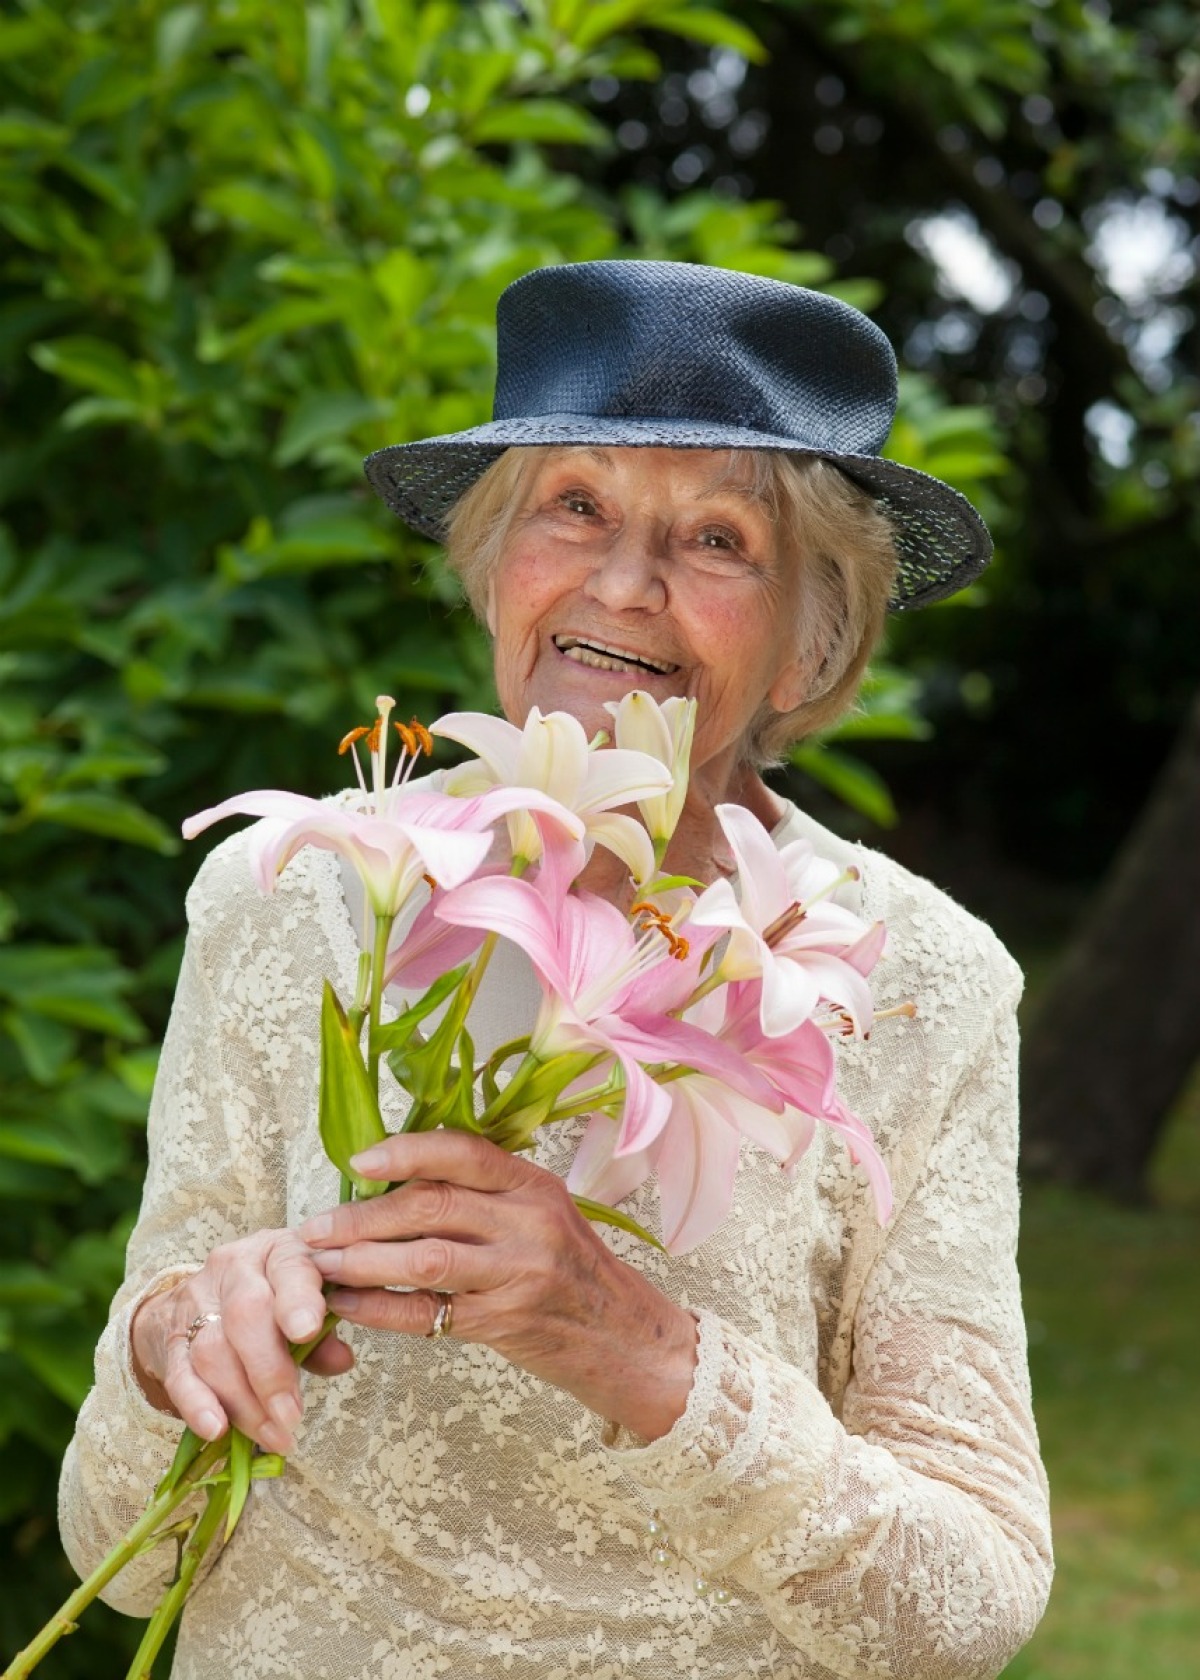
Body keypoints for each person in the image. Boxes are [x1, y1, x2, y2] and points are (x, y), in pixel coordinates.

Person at [59, 261, 1052, 1679]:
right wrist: (171, 1351)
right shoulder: (292, 896)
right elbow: (124, 1546)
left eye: (720, 540)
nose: (622, 587)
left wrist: (638, 1347)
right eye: (573, 506)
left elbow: (974, 1599)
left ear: (807, 643)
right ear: (495, 563)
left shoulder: (922, 983)